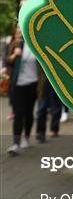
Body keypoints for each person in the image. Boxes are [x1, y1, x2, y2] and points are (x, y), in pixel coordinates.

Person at [6, 25, 42, 155]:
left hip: (32, 84)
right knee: (18, 113)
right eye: (17, 32)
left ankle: (26, 137)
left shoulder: (35, 46)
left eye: (21, 31)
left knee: (28, 113)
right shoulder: (14, 45)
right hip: (17, 85)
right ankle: (15, 143)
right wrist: (14, 56)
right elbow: (7, 62)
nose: (19, 34)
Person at [35, 77, 63, 142]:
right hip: (44, 81)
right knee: (41, 109)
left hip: (57, 80)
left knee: (56, 108)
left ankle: (54, 129)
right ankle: (40, 132)